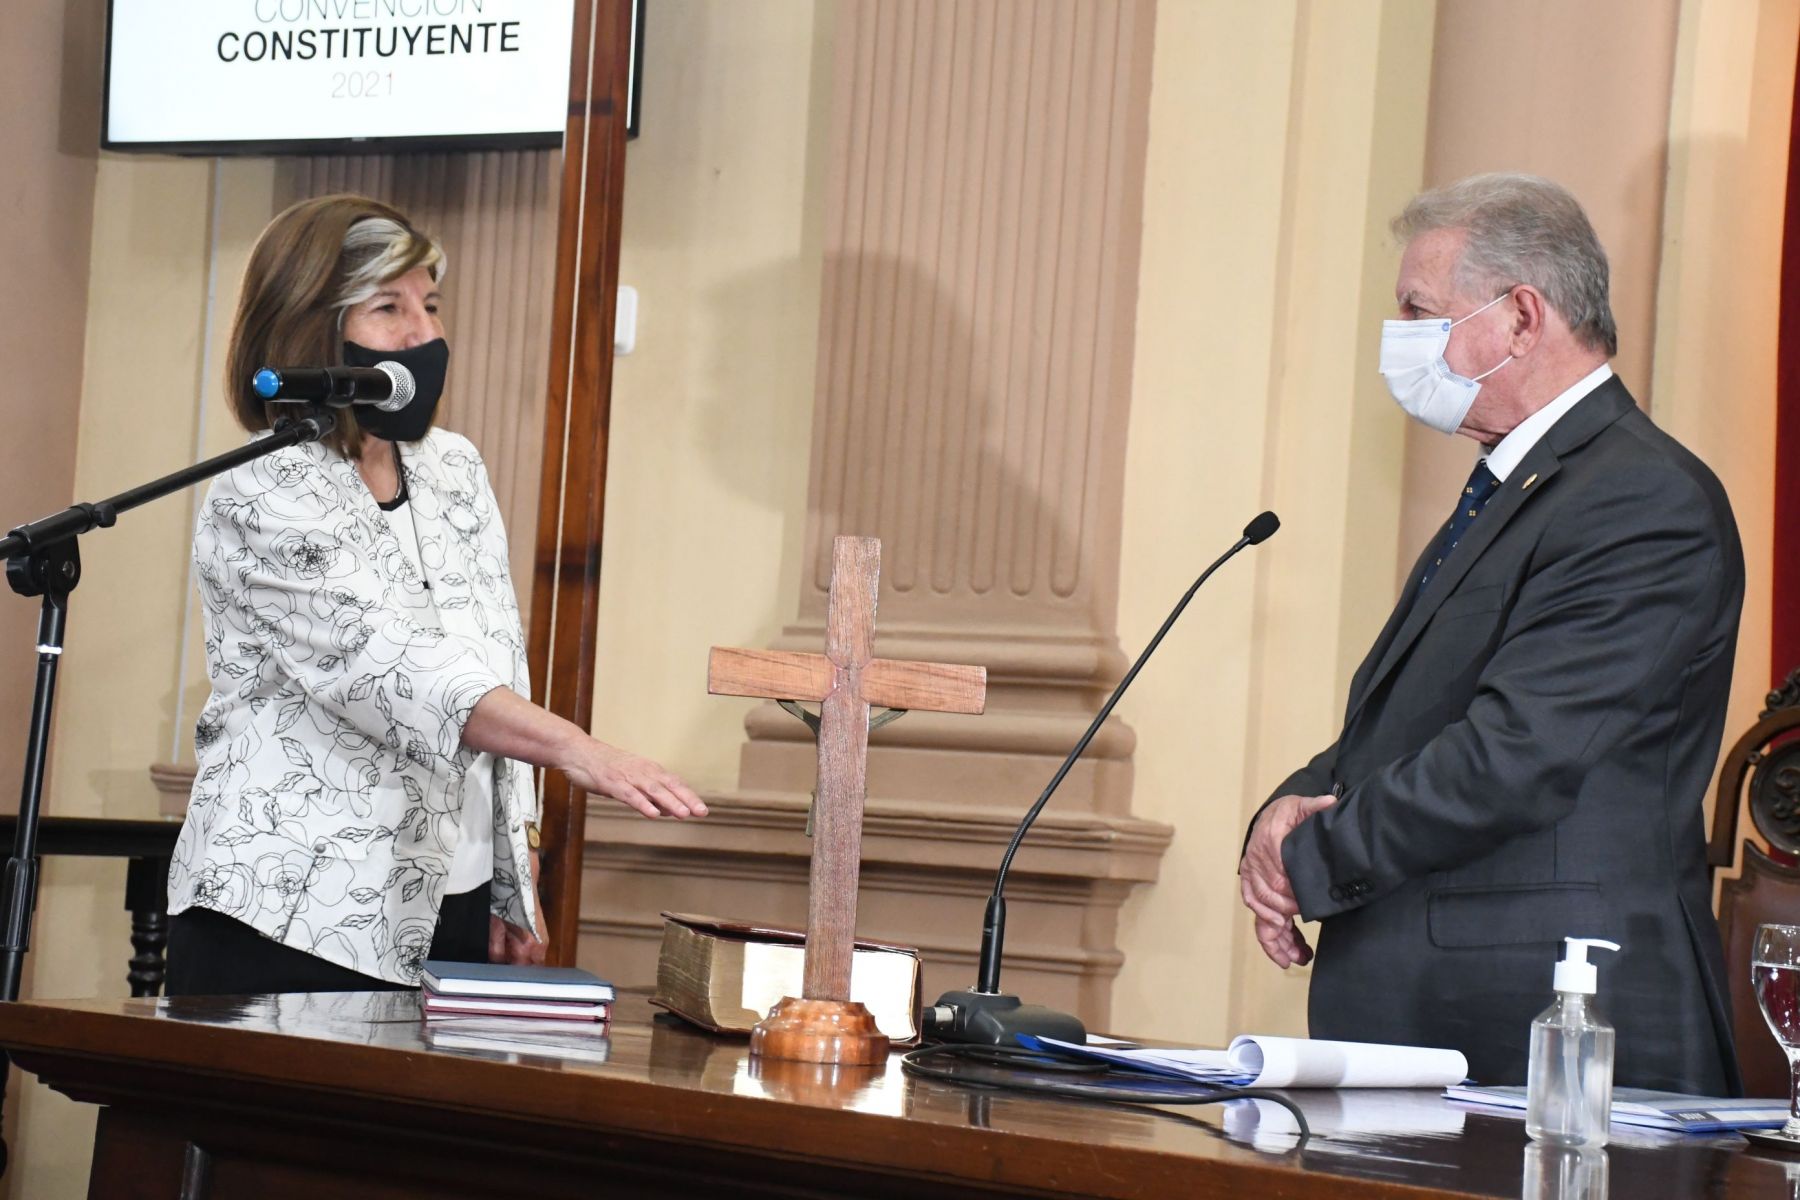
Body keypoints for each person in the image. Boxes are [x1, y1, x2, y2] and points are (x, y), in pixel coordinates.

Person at [1239, 173, 1743, 1095]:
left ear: (1520, 318)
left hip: (1553, 1030)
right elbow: (1413, 724)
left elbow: (1517, 753)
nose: (1398, 336)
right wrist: (1285, 812)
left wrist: (1309, 854)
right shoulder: (1521, 489)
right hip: (1453, 1018)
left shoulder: (1641, 498)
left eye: (1418, 310)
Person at [166, 195, 707, 995]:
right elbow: (391, 670)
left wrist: (506, 870)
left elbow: (494, 659)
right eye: (389, 308)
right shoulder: (264, 487)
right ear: (313, 329)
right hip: (291, 907)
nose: (424, 334)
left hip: (443, 901)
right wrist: (576, 748)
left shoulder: (453, 467)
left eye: (432, 305)